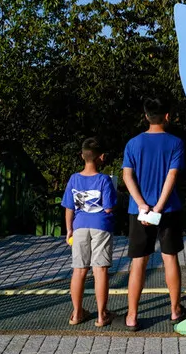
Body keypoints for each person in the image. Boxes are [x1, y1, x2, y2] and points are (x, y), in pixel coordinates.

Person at [122, 97, 186, 330]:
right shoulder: (176, 143)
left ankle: (131, 316)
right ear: (167, 116)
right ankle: (175, 310)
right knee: (170, 257)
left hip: (137, 211)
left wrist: (142, 205)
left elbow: (127, 176)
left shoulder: (132, 144)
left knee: (139, 262)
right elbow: (172, 176)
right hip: (168, 208)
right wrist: (159, 207)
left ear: (146, 116)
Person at [62, 137, 117, 327]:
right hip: (101, 226)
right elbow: (109, 208)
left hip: (79, 226)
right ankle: (102, 316)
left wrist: (69, 229)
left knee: (79, 270)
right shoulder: (104, 180)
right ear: (101, 157)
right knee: (100, 269)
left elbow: (69, 207)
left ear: (82, 156)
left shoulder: (74, 179)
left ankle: (77, 314)